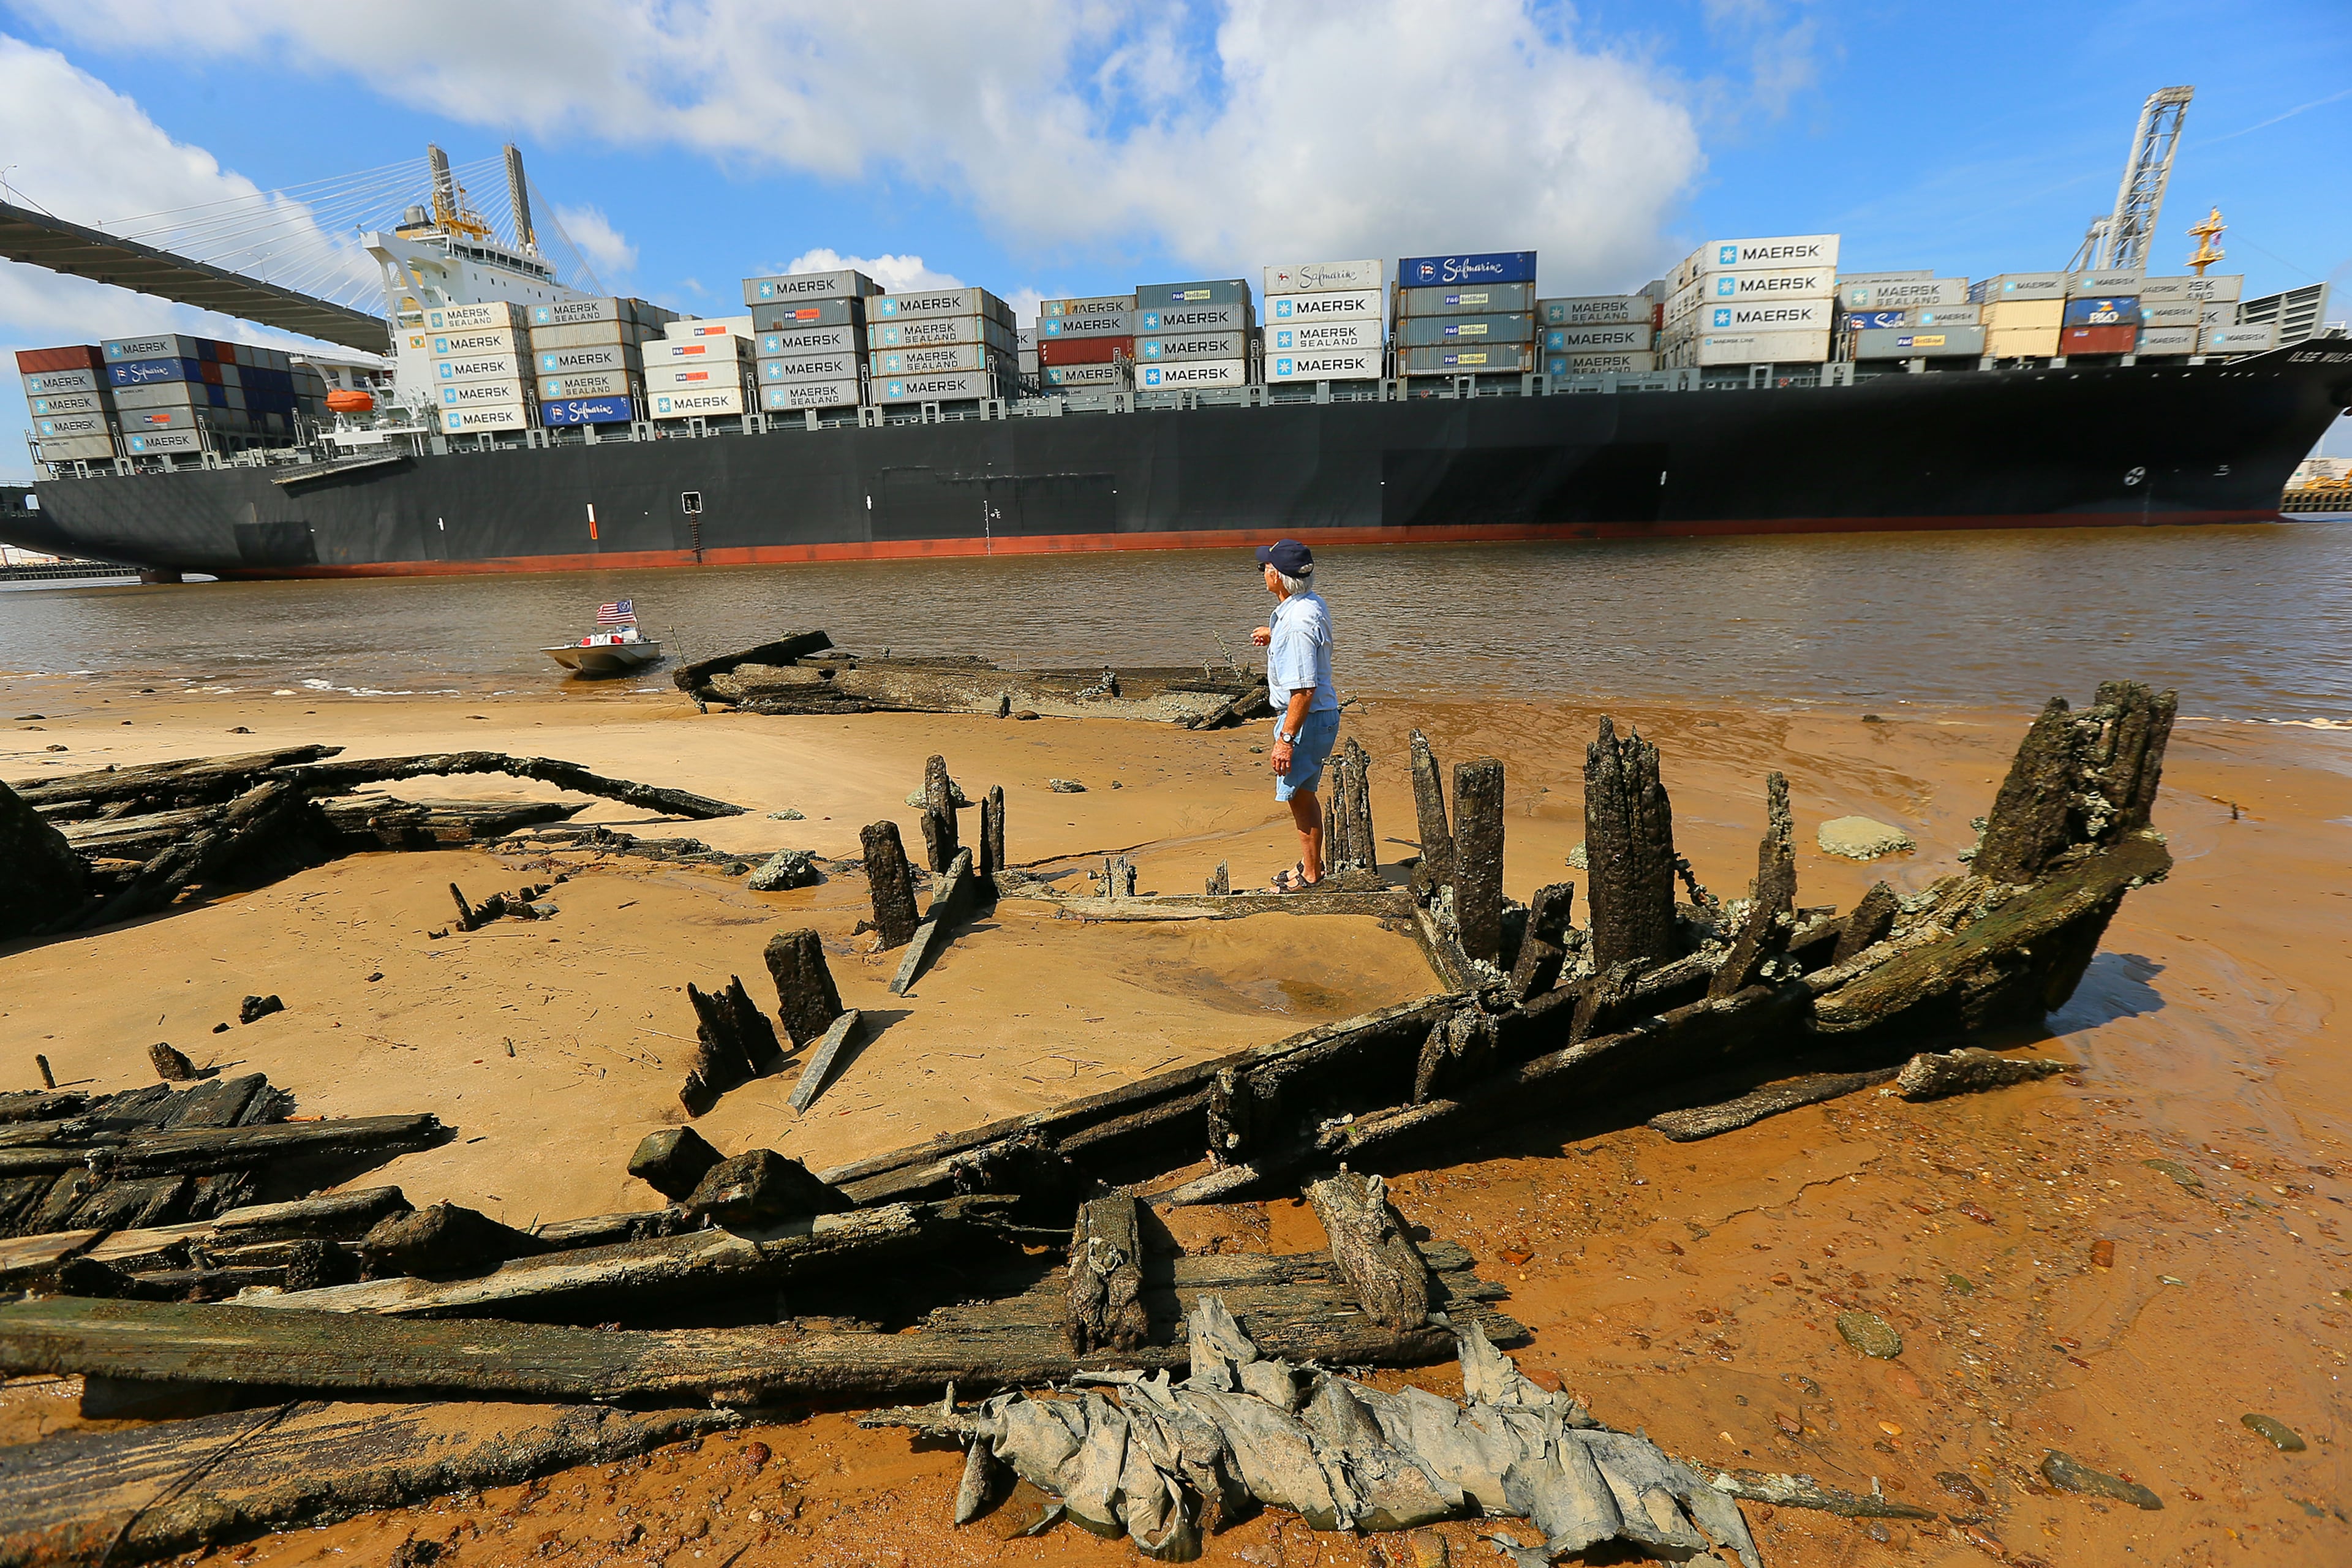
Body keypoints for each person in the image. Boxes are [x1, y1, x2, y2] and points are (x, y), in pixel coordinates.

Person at [1250, 539, 1340, 891]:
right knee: (1302, 793)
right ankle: (1310, 864)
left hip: (1305, 719)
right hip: (1316, 716)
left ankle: (1312, 875)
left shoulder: (1298, 624)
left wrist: (1285, 741)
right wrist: (1276, 634)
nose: (1263, 573)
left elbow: (1303, 690)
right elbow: (1309, 640)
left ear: (1278, 576)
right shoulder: (1307, 605)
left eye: (1265, 568)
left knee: (1298, 795)